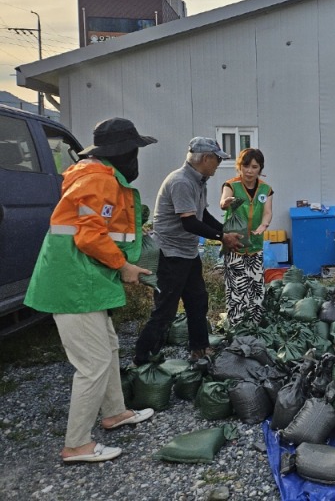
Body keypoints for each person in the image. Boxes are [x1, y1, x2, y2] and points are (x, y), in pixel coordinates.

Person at [24, 117, 157, 463]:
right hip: (74, 285)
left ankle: (115, 412)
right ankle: (77, 444)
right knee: (93, 363)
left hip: (88, 281)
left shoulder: (99, 177)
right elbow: (88, 235)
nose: (136, 158)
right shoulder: (98, 181)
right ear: (122, 152)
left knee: (109, 347)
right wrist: (123, 265)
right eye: (134, 150)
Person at [134, 137, 242, 365]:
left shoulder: (198, 181)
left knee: (197, 301)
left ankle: (199, 348)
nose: (217, 164)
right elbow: (190, 223)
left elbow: (203, 216)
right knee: (165, 311)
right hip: (170, 255)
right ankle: (142, 359)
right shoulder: (181, 182)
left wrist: (224, 231)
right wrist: (222, 237)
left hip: (188, 253)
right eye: (216, 160)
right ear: (205, 158)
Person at [219, 148, 274, 327]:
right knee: (236, 289)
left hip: (255, 246)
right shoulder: (231, 185)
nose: (249, 171)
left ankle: (254, 326)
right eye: (245, 166)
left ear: (260, 168)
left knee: (256, 288)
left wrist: (264, 225)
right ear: (239, 167)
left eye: (254, 167)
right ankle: (236, 328)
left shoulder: (266, 189)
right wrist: (225, 203)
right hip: (235, 244)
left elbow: (267, 212)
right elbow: (223, 202)